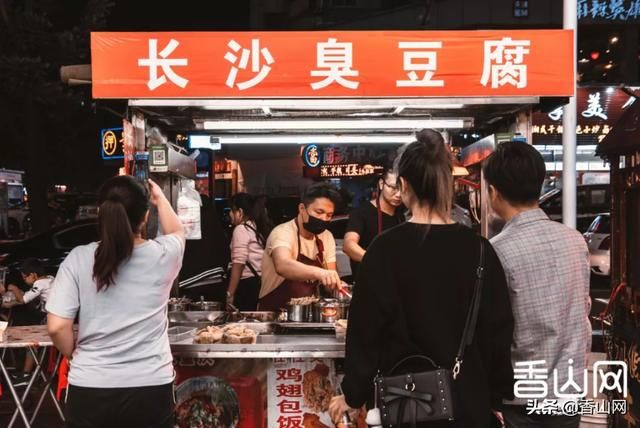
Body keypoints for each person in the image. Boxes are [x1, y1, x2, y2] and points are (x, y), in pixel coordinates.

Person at [329, 129, 515, 427]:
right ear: (446, 183)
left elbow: (365, 334)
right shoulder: (480, 250)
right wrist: (497, 397)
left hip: (406, 404)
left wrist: (352, 395)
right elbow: (498, 333)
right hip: (469, 402)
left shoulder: (384, 250)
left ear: (403, 185)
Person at [46, 176, 185, 428]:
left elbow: (56, 326)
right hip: (150, 387)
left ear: (101, 213)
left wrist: (74, 354)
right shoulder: (163, 254)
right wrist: (160, 198)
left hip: (90, 386)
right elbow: (177, 231)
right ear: (144, 217)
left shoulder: (78, 258)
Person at [483, 141, 591, 428]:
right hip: (569, 389)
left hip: (522, 396)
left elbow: (494, 330)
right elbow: (584, 310)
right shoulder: (575, 241)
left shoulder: (496, 250)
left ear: (493, 191)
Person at [259, 182, 343, 311]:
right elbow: (283, 265)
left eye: (329, 215)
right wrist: (320, 273)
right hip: (274, 312)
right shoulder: (282, 232)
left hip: (308, 313)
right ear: (302, 209)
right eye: (319, 212)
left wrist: (336, 284)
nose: (324, 219)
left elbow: (329, 280)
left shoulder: (326, 236)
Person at [343, 166, 404, 280]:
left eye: (403, 189)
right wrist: (375, 260)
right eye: (394, 188)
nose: (399, 194)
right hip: (367, 283)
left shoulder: (401, 216)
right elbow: (348, 245)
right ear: (381, 184)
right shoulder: (362, 212)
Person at [226, 193, 272, 311]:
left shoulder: (241, 229)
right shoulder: (256, 227)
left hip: (247, 285)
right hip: (261, 282)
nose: (230, 214)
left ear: (240, 212)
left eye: (231, 210)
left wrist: (230, 294)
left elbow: (238, 264)